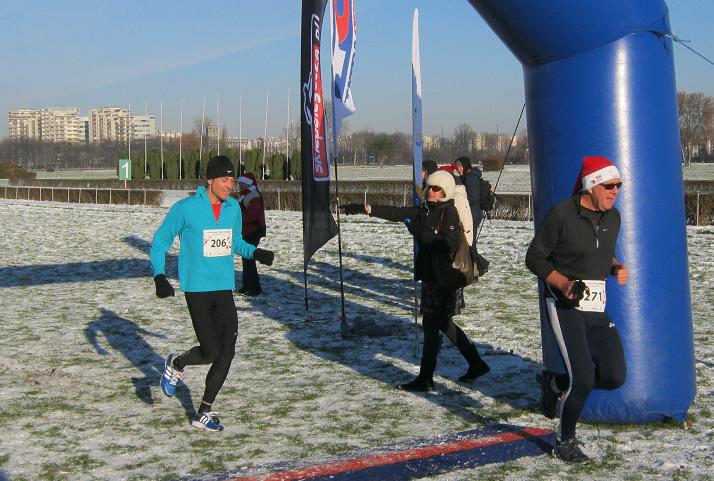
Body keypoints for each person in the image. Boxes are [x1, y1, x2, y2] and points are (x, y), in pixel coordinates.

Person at [150, 155, 275, 431]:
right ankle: (177, 363)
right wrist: (159, 275)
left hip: (223, 288)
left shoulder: (233, 208)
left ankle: (204, 412)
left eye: (232, 180)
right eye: (224, 180)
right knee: (211, 351)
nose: (230, 185)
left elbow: (235, 242)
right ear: (209, 180)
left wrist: (255, 253)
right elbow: (160, 241)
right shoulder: (186, 209)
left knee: (227, 352)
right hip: (197, 289)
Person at [343, 170, 490, 391]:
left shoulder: (449, 212)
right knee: (442, 323)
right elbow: (397, 212)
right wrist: (366, 209)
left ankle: (426, 378)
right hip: (432, 276)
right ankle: (476, 363)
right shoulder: (425, 209)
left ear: (445, 191)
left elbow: (449, 244)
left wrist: (421, 233)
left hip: (444, 278)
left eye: (436, 189)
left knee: (431, 325)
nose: (430, 191)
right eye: (429, 187)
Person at [525, 155, 628, 463]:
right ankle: (565, 441)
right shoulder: (562, 215)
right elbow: (534, 257)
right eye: (609, 185)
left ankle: (554, 384)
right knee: (582, 377)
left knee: (614, 375)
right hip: (565, 304)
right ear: (591, 185)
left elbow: (602, 252)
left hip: (597, 308)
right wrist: (562, 283)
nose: (615, 191)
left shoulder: (613, 218)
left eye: (618, 185)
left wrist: (615, 267)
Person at [236, 172, 267, 296]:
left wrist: (238, 218)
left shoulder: (253, 195)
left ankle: (255, 288)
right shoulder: (245, 194)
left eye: (241, 182)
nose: (239, 184)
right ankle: (247, 286)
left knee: (249, 259)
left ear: (247, 183)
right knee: (246, 259)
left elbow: (254, 214)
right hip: (247, 230)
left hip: (253, 231)